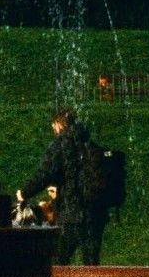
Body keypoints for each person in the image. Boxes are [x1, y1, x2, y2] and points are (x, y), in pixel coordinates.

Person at [17, 108, 104, 266]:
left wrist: (24, 192)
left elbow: (45, 173)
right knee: (91, 264)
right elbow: (78, 174)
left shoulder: (62, 142)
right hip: (95, 213)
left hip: (72, 213)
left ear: (57, 124)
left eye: (53, 127)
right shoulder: (87, 142)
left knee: (56, 262)